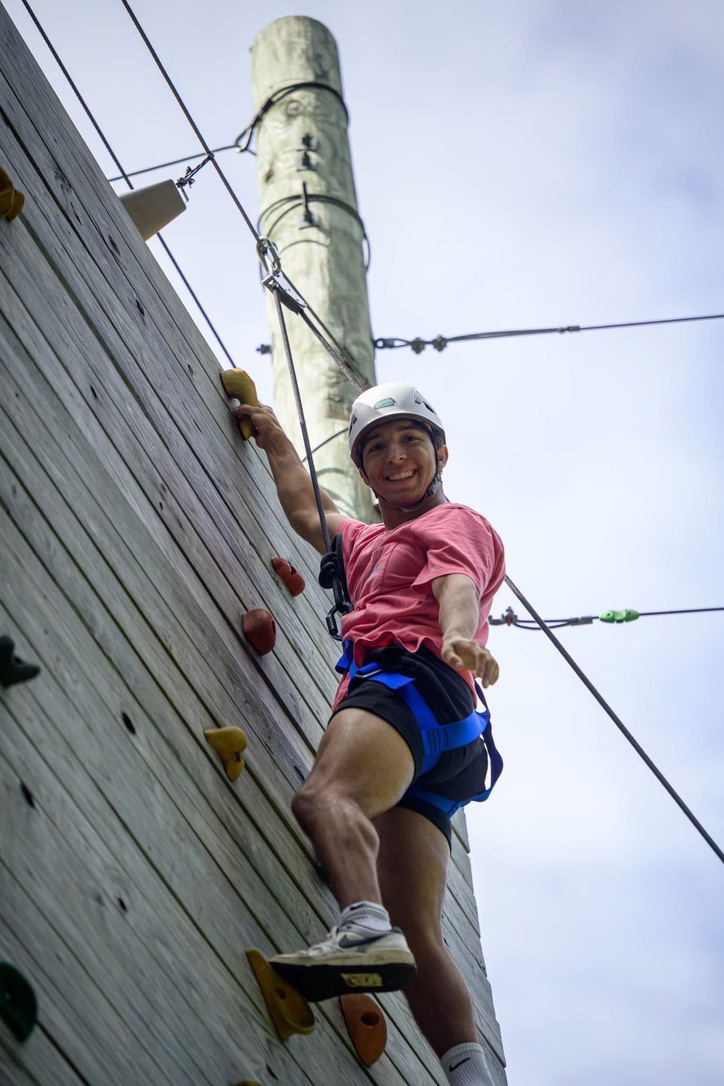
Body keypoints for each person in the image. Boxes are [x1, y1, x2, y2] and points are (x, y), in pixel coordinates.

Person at [230, 382, 505, 1086]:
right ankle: (469, 1075)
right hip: (444, 746)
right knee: (419, 929)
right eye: (376, 447)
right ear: (363, 470)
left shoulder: (453, 524)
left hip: (416, 682)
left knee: (326, 798)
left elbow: (458, 586)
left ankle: (361, 931)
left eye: (412, 440)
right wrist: (273, 436)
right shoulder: (363, 545)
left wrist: (455, 638)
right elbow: (304, 508)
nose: (396, 456)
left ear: (441, 453)